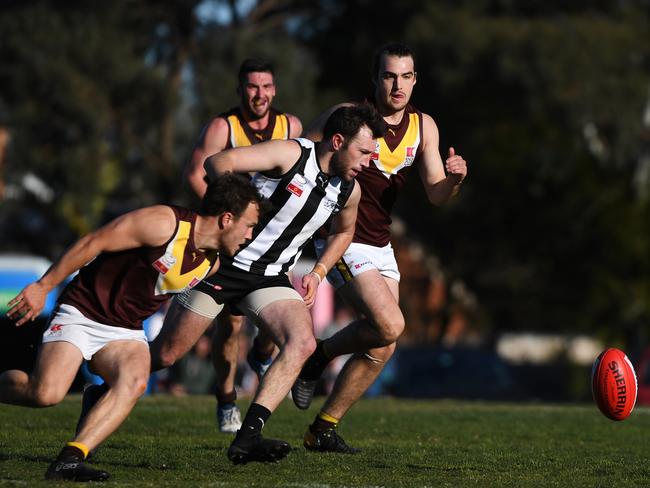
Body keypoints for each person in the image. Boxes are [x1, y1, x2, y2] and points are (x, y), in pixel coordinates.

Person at [149, 103, 386, 464]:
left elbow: (345, 231)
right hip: (221, 266)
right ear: (337, 141)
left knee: (303, 342)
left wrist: (319, 271)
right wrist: (229, 215)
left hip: (269, 278)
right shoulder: (291, 152)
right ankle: (105, 386)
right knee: (166, 355)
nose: (368, 162)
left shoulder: (348, 190)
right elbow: (217, 164)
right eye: (364, 152)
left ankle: (247, 439)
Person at [1, 174, 263, 482]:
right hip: (83, 311)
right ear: (227, 219)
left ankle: (70, 458)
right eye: (249, 225)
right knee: (44, 394)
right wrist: (44, 285)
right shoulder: (164, 224)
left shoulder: (212, 263)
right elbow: (93, 241)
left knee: (136, 379)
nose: (250, 235)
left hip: (125, 331)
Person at [291, 42, 468, 454]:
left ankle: (323, 429)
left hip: (381, 245)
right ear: (375, 79)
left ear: (415, 80)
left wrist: (456, 180)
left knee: (383, 344)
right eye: (389, 76)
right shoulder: (348, 115)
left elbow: (437, 194)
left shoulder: (425, 127)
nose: (398, 85)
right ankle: (319, 356)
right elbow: (299, 154)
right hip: (342, 239)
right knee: (390, 324)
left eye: (406, 76)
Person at [184, 58, 303, 433]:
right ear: (240, 91)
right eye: (252, 87)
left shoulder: (291, 126)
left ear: (275, 90)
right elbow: (194, 174)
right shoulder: (224, 127)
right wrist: (227, 220)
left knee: (280, 309)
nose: (260, 94)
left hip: (272, 242)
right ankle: (226, 397)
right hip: (232, 240)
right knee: (231, 325)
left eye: (266, 86)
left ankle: (263, 354)